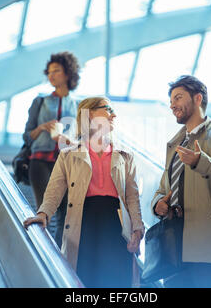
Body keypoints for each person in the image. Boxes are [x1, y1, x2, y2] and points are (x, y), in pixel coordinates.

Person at [24, 97, 145, 288]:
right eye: (107, 109)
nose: (114, 114)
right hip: (83, 224)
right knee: (85, 280)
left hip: (117, 227)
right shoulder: (69, 154)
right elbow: (55, 189)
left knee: (116, 282)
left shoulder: (125, 156)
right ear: (88, 115)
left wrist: (138, 229)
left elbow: (132, 197)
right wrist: (43, 214)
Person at [151, 75, 211, 288]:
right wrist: (158, 205)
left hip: (210, 251)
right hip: (175, 249)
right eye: (170, 101)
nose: (172, 105)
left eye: (177, 98)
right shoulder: (174, 144)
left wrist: (201, 161)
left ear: (197, 98)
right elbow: (163, 188)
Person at [23, 51, 80, 247]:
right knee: (45, 209)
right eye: (49, 72)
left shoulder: (79, 106)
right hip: (40, 161)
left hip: (67, 164)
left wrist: (62, 137)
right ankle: (43, 250)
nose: (51, 75)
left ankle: (59, 256)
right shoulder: (40, 102)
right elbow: (27, 135)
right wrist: (42, 128)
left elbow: (82, 140)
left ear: (68, 74)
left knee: (66, 215)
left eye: (56, 71)